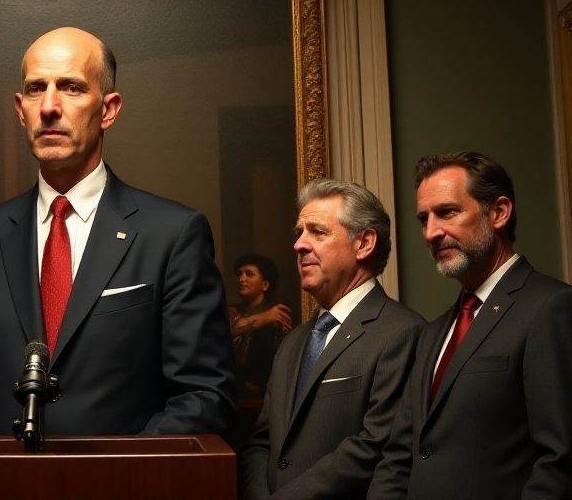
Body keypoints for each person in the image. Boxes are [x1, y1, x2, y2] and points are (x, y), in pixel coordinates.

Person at [0, 27, 235, 436]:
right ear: (20, 110)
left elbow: (204, 394)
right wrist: (0, 470)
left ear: (109, 109)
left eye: (71, 88)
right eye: (36, 89)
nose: (50, 106)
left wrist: (109, 479)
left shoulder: (173, 234)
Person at [369, 151, 572, 499]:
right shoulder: (432, 334)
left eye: (447, 212)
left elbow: (561, 461)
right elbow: (400, 456)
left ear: (498, 212)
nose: (431, 232)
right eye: (423, 219)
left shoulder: (551, 307)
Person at [239, 179, 425, 500]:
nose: (299, 244)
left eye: (318, 232)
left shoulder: (403, 332)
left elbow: (374, 445)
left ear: (364, 243)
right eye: (299, 232)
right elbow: (262, 441)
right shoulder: (293, 341)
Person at [229, 254, 293, 399]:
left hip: (262, 398)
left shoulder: (277, 315)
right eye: (239, 274)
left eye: (249, 274)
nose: (241, 279)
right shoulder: (230, 312)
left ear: (265, 284)